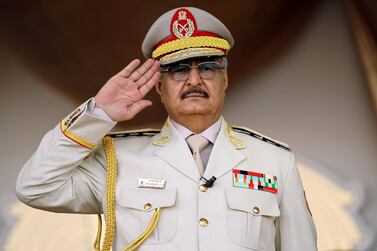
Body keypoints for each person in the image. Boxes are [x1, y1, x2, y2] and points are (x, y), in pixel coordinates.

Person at [16, 6, 317, 251]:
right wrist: (98, 114)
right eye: (179, 70)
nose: (195, 81)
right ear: (159, 86)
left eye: (208, 67)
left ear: (225, 80)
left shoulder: (275, 161)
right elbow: (35, 187)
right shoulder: (117, 160)